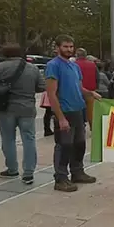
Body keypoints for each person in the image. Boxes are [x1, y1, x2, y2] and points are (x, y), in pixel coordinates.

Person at [0, 44, 45, 184]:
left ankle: (12, 169)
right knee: (29, 139)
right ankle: (28, 173)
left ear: (4, 54)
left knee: (8, 139)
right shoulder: (32, 68)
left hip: (4, 108)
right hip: (27, 108)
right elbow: (41, 87)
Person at [45, 35, 101, 192]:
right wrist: (61, 118)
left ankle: (77, 172)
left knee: (79, 144)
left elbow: (78, 87)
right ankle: (61, 178)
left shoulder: (74, 66)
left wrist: (90, 93)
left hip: (78, 110)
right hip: (65, 111)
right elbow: (51, 94)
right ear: (57, 48)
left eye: (71, 46)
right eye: (65, 46)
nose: (69, 49)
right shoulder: (53, 66)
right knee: (64, 146)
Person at [75, 48, 98, 129]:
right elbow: (97, 77)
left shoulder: (74, 64)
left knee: (79, 111)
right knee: (91, 112)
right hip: (91, 91)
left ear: (77, 55)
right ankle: (93, 127)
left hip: (78, 91)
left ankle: (81, 127)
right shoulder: (92, 65)